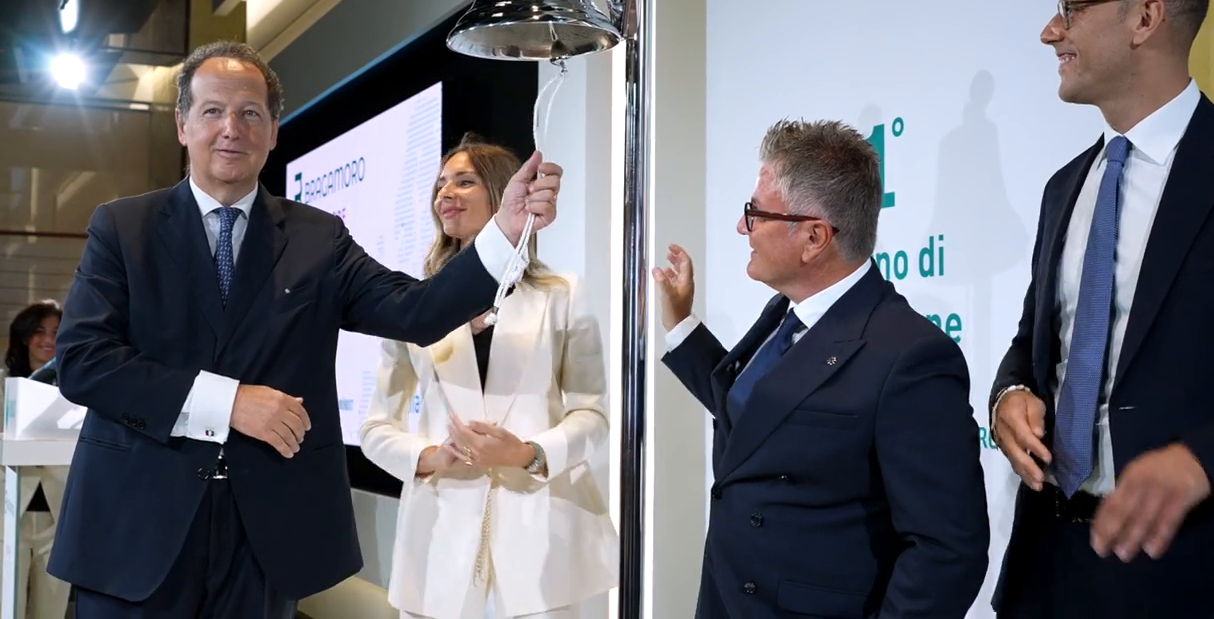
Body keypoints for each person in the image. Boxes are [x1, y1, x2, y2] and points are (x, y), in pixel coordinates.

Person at [48, 40, 563, 619]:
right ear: (182, 125)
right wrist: (230, 402)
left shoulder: (319, 237)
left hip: (265, 537)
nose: (231, 128)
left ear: (273, 132)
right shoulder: (124, 227)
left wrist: (504, 232)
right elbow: (85, 362)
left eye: (250, 113)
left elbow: (415, 311)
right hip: (135, 529)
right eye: (213, 111)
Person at [989, 0, 1214, 619]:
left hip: (1207, 581)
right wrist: (1010, 394)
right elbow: (1033, 343)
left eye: (1072, 8)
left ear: (1145, 18)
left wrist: (1207, 460)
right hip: (1050, 572)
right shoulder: (1064, 188)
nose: (1050, 31)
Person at [653, 119, 989, 618]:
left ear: (814, 237)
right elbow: (757, 425)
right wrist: (681, 325)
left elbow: (947, 551)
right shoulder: (784, 315)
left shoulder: (911, 356)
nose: (742, 227)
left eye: (755, 213)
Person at [360, 135, 616, 619]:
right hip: (437, 549)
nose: (445, 193)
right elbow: (375, 429)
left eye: (464, 181)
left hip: (541, 549)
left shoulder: (561, 294)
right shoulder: (414, 305)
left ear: (500, 194)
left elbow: (593, 415)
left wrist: (527, 453)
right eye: (440, 184)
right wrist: (430, 457)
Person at [2, 300, 71, 619]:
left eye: (57, 332)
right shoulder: (4, 384)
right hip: (9, 513)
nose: (48, 340)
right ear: (25, 336)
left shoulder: (79, 388)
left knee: (51, 612)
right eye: (40, 331)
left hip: (58, 516)